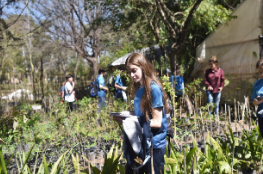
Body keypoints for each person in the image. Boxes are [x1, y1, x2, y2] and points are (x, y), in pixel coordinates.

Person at [114, 53, 170, 174]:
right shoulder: (140, 89)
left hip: (154, 146)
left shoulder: (153, 89)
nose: (131, 75)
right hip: (142, 142)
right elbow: (142, 115)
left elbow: (156, 122)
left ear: (143, 67)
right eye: (129, 72)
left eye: (134, 71)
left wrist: (130, 122)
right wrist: (126, 115)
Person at [252, 59, 263, 137]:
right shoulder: (257, 84)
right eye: (260, 72)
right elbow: (253, 100)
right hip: (261, 115)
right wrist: (256, 102)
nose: (262, 74)